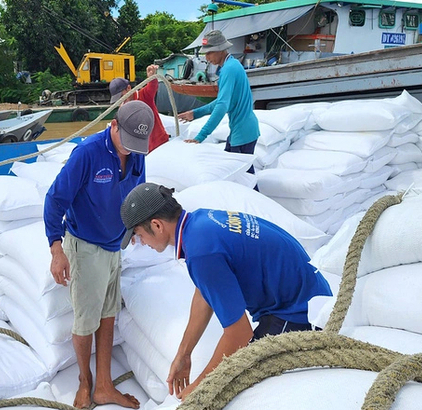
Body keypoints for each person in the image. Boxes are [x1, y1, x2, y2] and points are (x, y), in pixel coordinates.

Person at [119, 183, 332, 400]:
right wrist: (184, 354)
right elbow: (204, 292)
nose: (140, 243)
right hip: (303, 296)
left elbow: (239, 333)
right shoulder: (199, 223)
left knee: (238, 391)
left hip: (299, 313)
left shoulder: (202, 252)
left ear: (156, 225)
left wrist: (200, 388)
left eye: (138, 235)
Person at [44, 100, 154, 409]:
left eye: (137, 146)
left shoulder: (136, 155)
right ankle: (85, 381)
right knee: (85, 321)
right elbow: (55, 201)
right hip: (85, 248)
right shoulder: (87, 154)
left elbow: (136, 195)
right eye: (127, 141)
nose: (130, 151)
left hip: (114, 247)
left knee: (108, 316)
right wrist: (56, 249)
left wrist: (136, 230)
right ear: (114, 126)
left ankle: (105, 385)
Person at [178, 30, 260, 163]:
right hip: (243, 130)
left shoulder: (229, 70)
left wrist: (200, 136)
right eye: (205, 53)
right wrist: (195, 113)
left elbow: (222, 106)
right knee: (235, 173)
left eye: (209, 52)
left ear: (221, 49)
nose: (207, 57)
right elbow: (221, 102)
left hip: (242, 133)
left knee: (241, 176)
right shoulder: (232, 65)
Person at [109, 64, 169, 153]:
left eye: (121, 96)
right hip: (140, 147)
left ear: (129, 88)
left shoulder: (143, 96)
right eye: (118, 99)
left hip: (158, 143)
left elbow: (152, 87)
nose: (121, 100)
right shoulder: (122, 109)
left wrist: (152, 77)